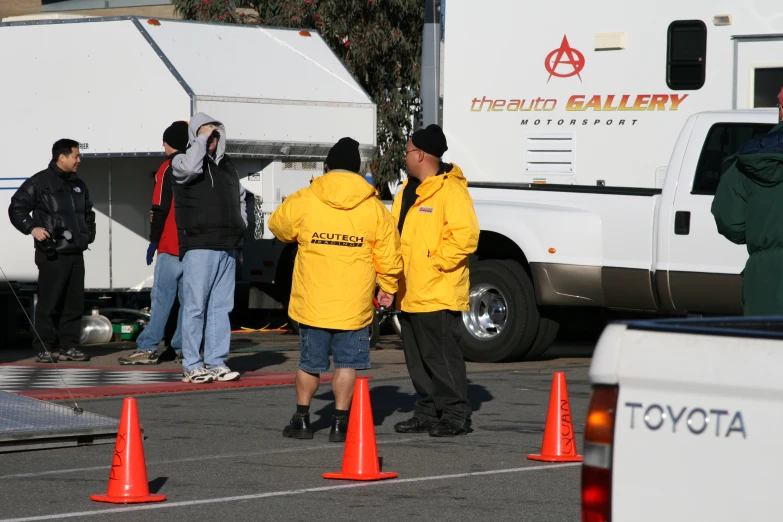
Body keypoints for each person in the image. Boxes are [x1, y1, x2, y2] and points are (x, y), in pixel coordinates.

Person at [268, 137, 402, 442]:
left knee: (309, 363)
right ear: (357, 170)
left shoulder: (306, 198)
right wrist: (389, 287)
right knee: (347, 363)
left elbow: (279, 226)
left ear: (327, 166)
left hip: (312, 301)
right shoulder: (374, 208)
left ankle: (302, 419)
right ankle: (340, 423)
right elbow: (390, 255)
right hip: (353, 304)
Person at [389, 124, 480, 437]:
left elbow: (466, 237)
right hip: (409, 291)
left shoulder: (450, 190)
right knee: (417, 360)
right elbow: (395, 235)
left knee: (441, 357)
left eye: (408, 150)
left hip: (437, 291)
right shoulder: (407, 189)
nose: (405, 155)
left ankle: (455, 415)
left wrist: (434, 263)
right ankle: (427, 411)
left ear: (422, 155)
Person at [171, 113, 247, 383]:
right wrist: (201, 138)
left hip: (227, 244)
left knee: (221, 306)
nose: (212, 139)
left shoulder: (226, 165)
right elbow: (190, 169)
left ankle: (216, 362)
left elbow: (240, 196)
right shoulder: (181, 161)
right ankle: (192, 364)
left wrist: (241, 224)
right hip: (199, 243)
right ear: (195, 135)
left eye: (215, 134)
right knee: (195, 306)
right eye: (206, 134)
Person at [8, 139, 95, 363]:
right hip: (52, 253)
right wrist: (32, 228)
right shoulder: (40, 182)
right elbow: (16, 208)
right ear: (62, 157)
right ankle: (45, 347)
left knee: (74, 302)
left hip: (76, 252)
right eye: (75, 156)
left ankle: (69, 346)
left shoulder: (79, 184)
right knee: (50, 301)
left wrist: (88, 234)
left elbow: (88, 213)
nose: (79, 160)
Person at [119, 121, 189, 365]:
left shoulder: (167, 167)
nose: (162, 145)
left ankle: (147, 347)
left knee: (161, 300)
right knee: (188, 303)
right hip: (192, 246)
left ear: (171, 143)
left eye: (165, 141)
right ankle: (183, 348)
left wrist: (154, 241)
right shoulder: (197, 166)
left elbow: (159, 206)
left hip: (170, 245)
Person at [711, 87, 783, 316]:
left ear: (781, 109)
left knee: (765, 347)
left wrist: (762, 235)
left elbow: (729, 222)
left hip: (764, 280)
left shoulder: (747, 162)